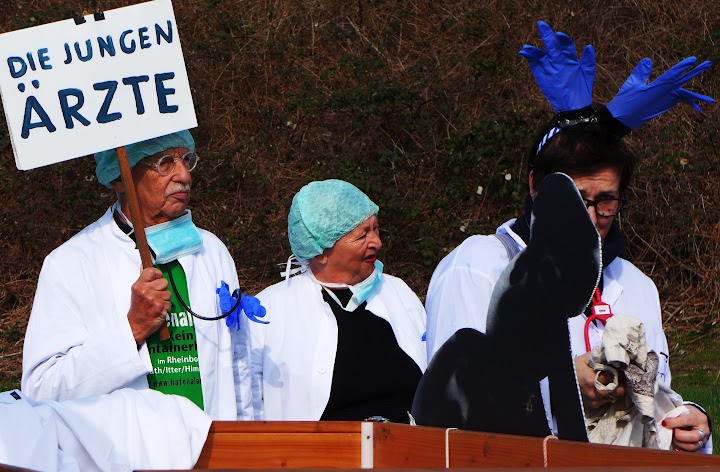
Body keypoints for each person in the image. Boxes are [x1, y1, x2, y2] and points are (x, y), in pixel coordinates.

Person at [424, 21, 713, 451]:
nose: (591, 216)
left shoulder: (636, 285)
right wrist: (561, 382)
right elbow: (451, 418)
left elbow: (653, 405)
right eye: (576, 198)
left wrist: (686, 425)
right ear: (536, 187)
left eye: (607, 201)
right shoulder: (478, 266)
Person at [21, 131, 255, 420]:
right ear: (119, 178)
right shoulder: (70, 263)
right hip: (125, 458)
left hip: (215, 452)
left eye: (186, 159)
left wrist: (245, 444)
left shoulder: (211, 250)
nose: (184, 175)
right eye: (165, 162)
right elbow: (41, 392)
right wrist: (132, 329)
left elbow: (239, 365)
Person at [243, 179, 427, 422]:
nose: (377, 242)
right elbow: (247, 406)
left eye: (376, 229)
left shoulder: (398, 293)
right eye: (362, 235)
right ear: (320, 251)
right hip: (316, 457)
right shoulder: (270, 311)